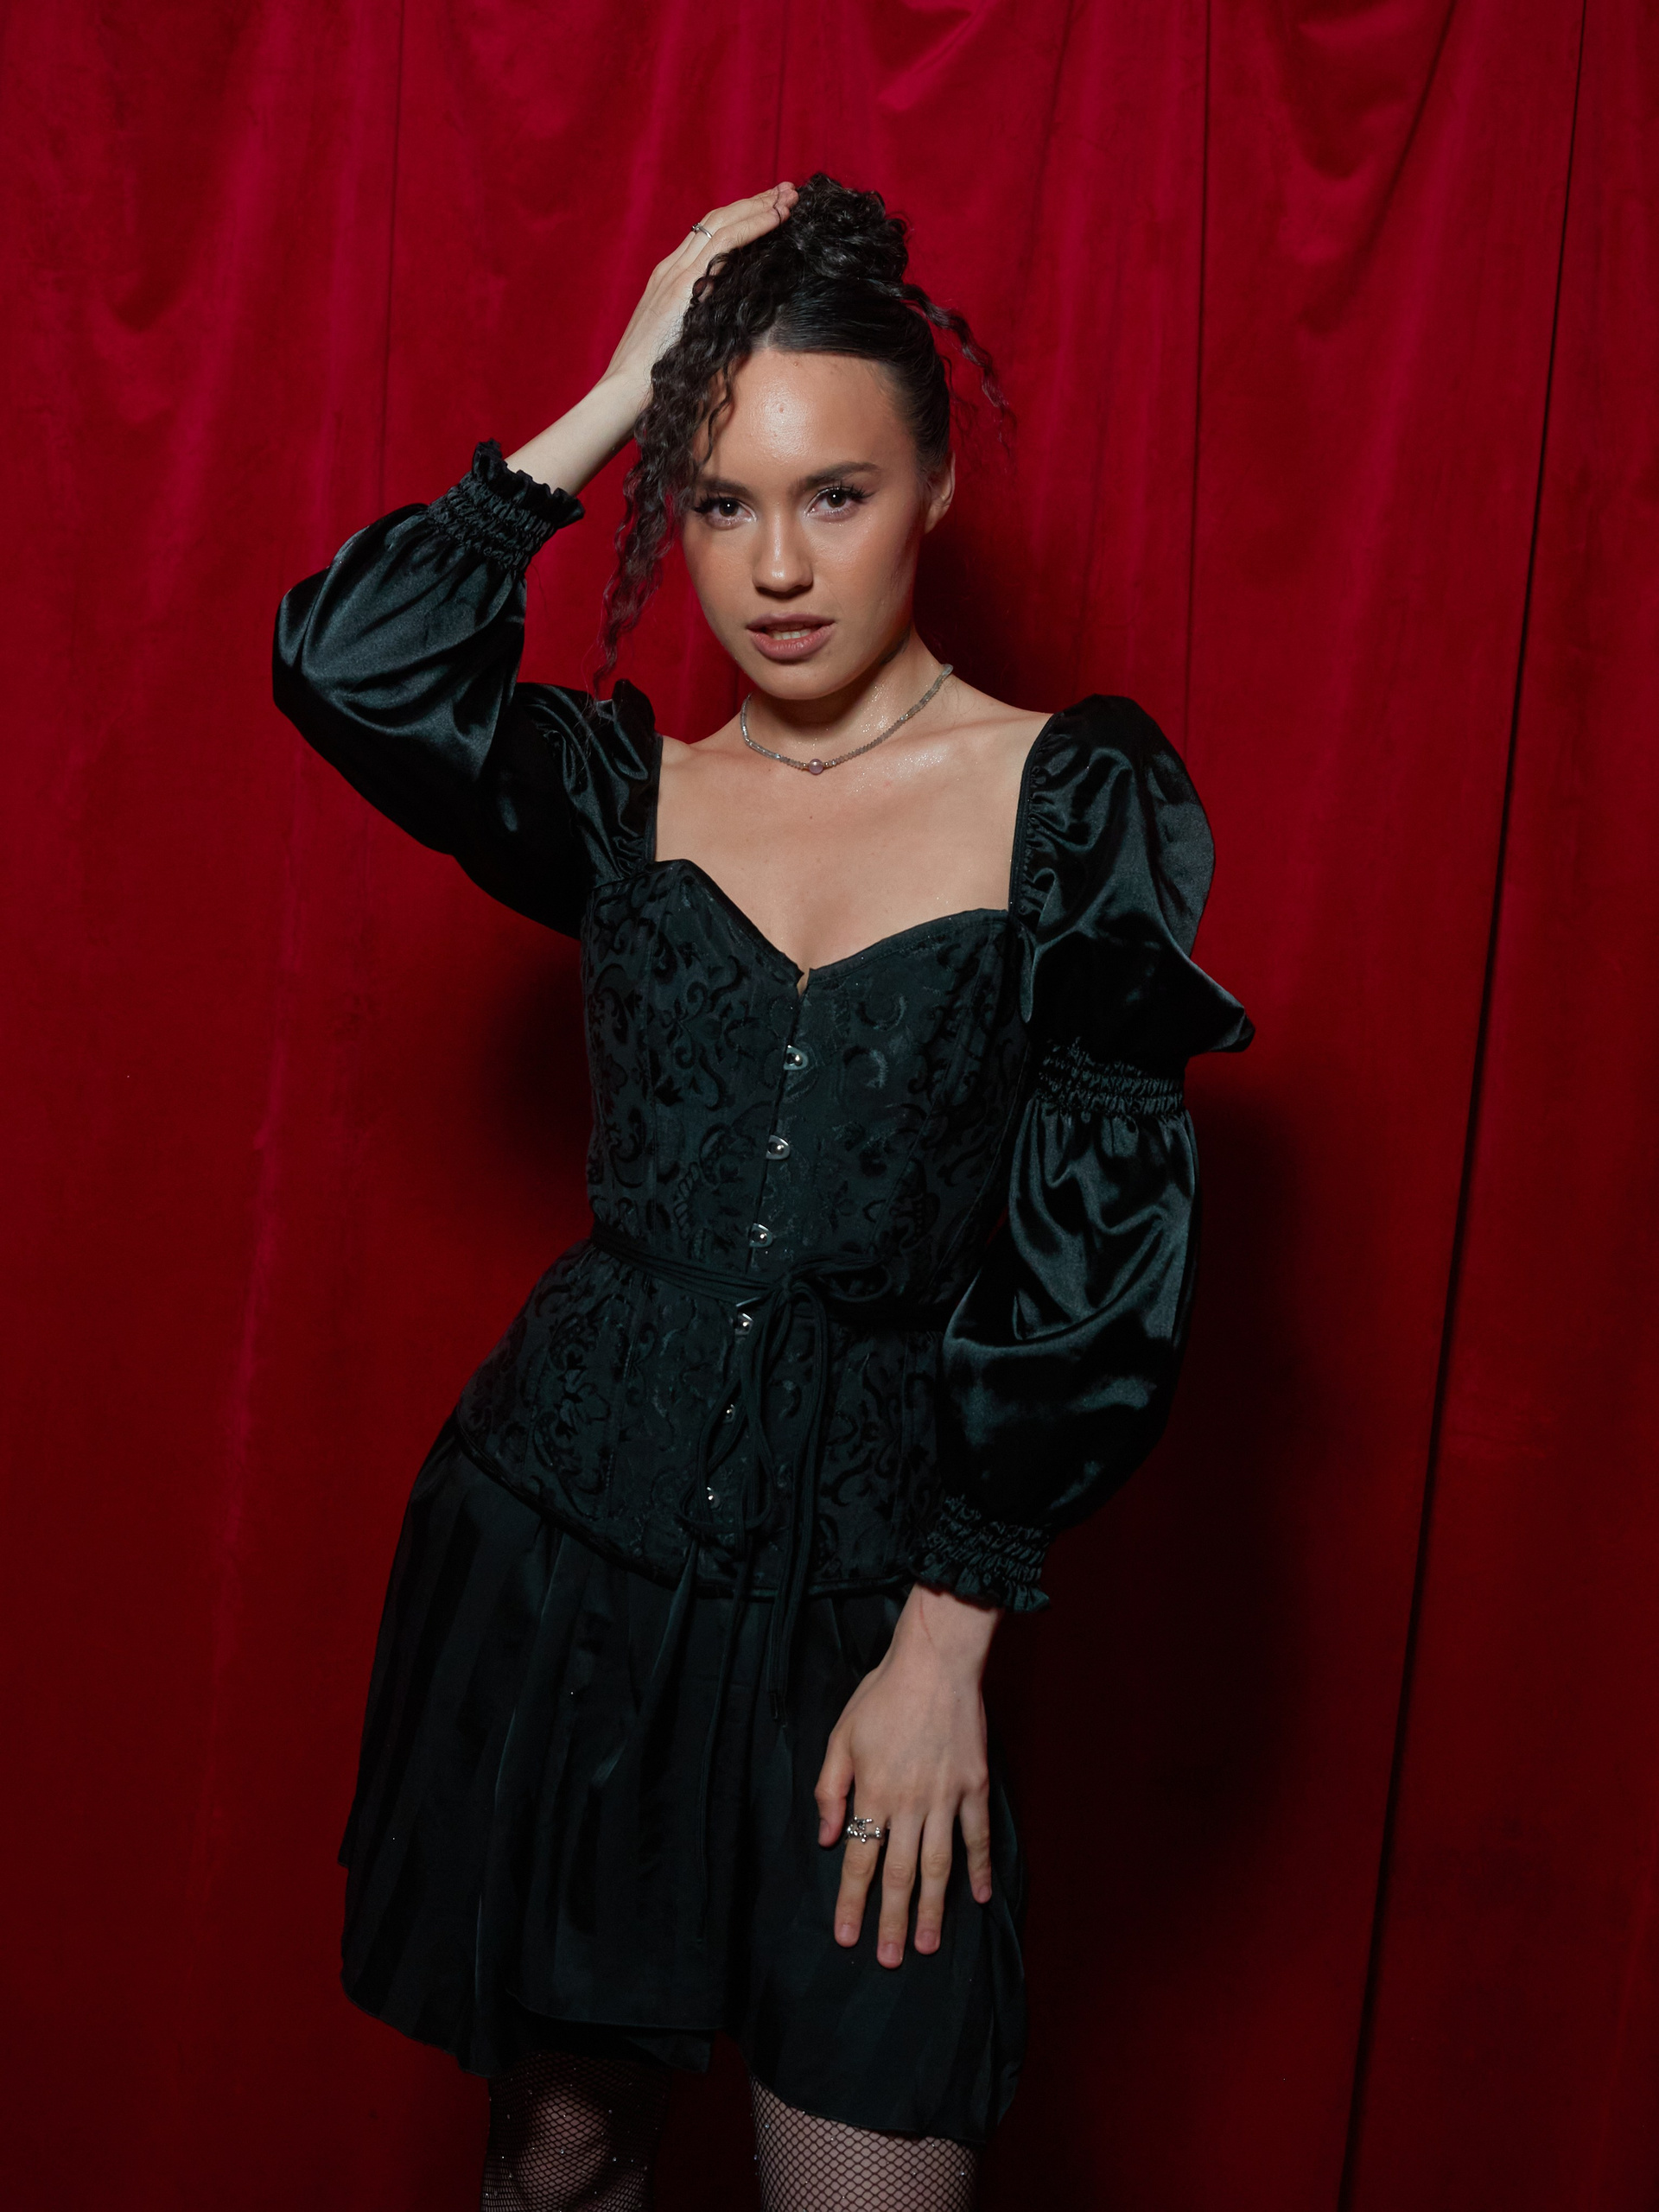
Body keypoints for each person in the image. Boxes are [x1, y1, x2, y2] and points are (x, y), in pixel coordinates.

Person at [272, 172, 1251, 2211]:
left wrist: (947, 1641)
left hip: (879, 1601)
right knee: (560, 2153)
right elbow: (350, 661)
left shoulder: (1072, 796)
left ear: (936, 488)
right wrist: (623, 386)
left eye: (836, 494)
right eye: (719, 501)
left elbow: (1100, 1243)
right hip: (568, 1552)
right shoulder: (627, 793)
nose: (778, 567)